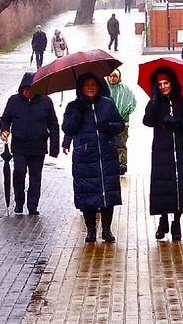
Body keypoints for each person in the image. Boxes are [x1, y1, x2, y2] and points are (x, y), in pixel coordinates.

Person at [61, 74, 124, 242]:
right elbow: (67, 128)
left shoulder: (107, 104)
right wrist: (77, 114)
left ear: (98, 87)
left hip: (106, 155)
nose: (90, 87)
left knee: (107, 193)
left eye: (93, 85)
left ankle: (107, 230)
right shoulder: (73, 106)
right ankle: (90, 231)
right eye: (86, 85)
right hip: (85, 156)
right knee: (87, 194)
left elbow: (120, 124)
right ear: (81, 88)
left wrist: (109, 127)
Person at [141, 66, 183, 241]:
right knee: (163, 188)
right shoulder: (156, 103)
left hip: (182, 152)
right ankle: (163, 220)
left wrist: (177, 123)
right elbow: (147, 121)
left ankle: (176, 222)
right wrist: (154, 100)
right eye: (160, 84)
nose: (163, 86)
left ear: (172, 83)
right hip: (162, 152)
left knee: (181, 188)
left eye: (166, 83)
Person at [0, 72, 60, 215]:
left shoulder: (46, 102)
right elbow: (5, 119)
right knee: (19, 172)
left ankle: (33, 205)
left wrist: (54, 148)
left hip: (38, 146)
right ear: (22, 89)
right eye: (26, 90)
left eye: (31, 90)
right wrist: (4, 130)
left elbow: (53, 124)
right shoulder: (13, 101)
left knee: (35, 176)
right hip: (19, 145)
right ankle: (19, 202)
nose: (28, 93)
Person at [107, 68, 137, 175]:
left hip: (122, 123)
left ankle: (122, 165)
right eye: (110, 76)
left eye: (115, 76)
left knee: (121, 144)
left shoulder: (125, 90)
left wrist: (124, 112)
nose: (112, 78)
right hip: (107, 123)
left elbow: (133, 103)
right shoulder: (104, 89)